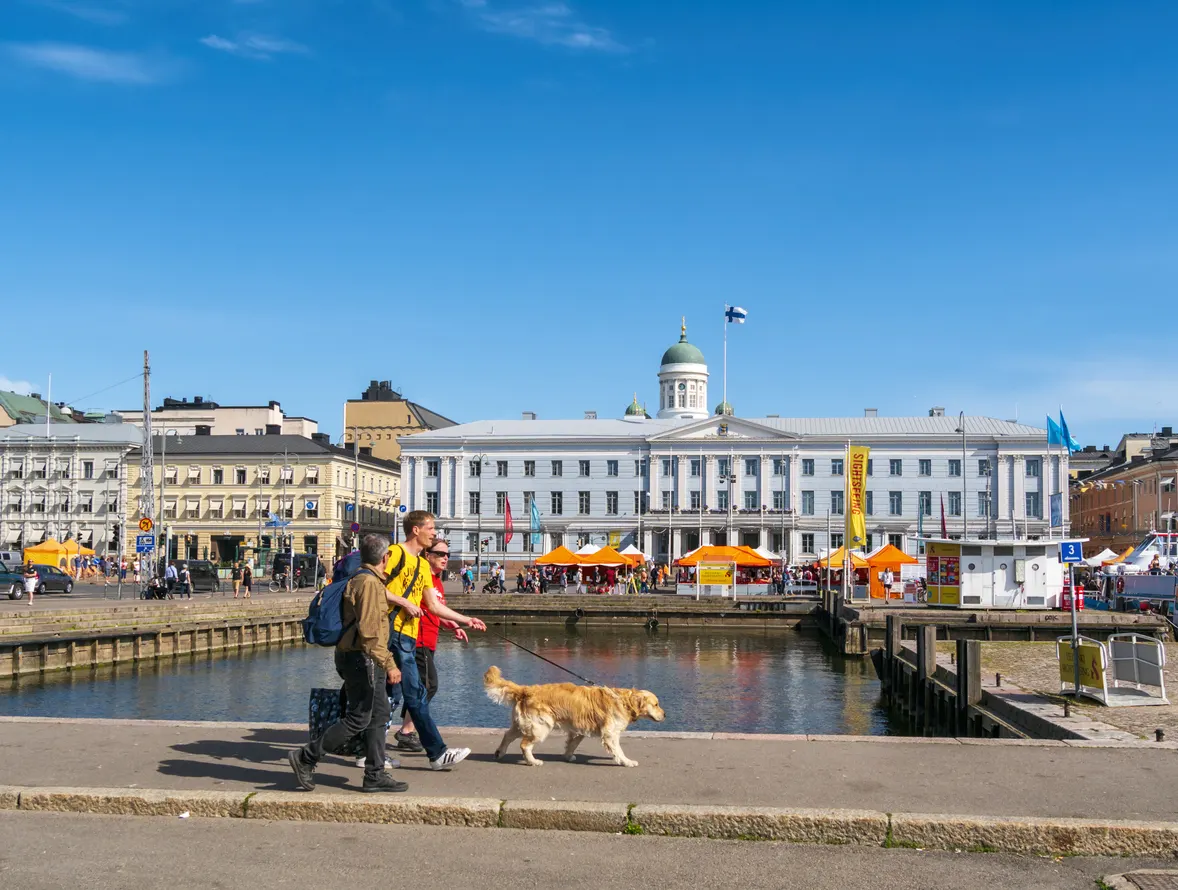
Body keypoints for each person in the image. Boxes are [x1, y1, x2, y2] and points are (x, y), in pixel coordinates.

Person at [289, 533, 407, 793]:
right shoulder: (369, 584)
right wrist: (389, 664)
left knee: (379, 714)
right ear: (385, 557)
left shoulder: (362, 579)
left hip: (359, 656)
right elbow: (369, 632)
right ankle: (306, 757)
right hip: (362, 659)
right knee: (359, 718)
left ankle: (374, 774)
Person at [385, 510, 487, 769]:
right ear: (415, 530)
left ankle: (369, 748)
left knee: (395, 695)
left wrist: (465, 620)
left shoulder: (421, 565)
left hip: (407, 637)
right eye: (430, 528)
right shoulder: (395, 553)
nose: (434, 532)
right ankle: (435, 752)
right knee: (410, 693)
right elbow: (370, 585)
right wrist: (402, 601)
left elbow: (433, 605)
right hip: (390, 633)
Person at [393, 537, 468, 752]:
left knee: (418, 687)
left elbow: (436, 609)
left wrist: (454, 625)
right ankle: (407, 731)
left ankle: (406, 730)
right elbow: (430, 607)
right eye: (440, 554)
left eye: (447, 555)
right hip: (418, 640)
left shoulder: (436, 580)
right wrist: (463, 620)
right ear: (428, 555)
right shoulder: (423, 576)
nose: (445, 558)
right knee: (428, 685)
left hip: (430, 640)